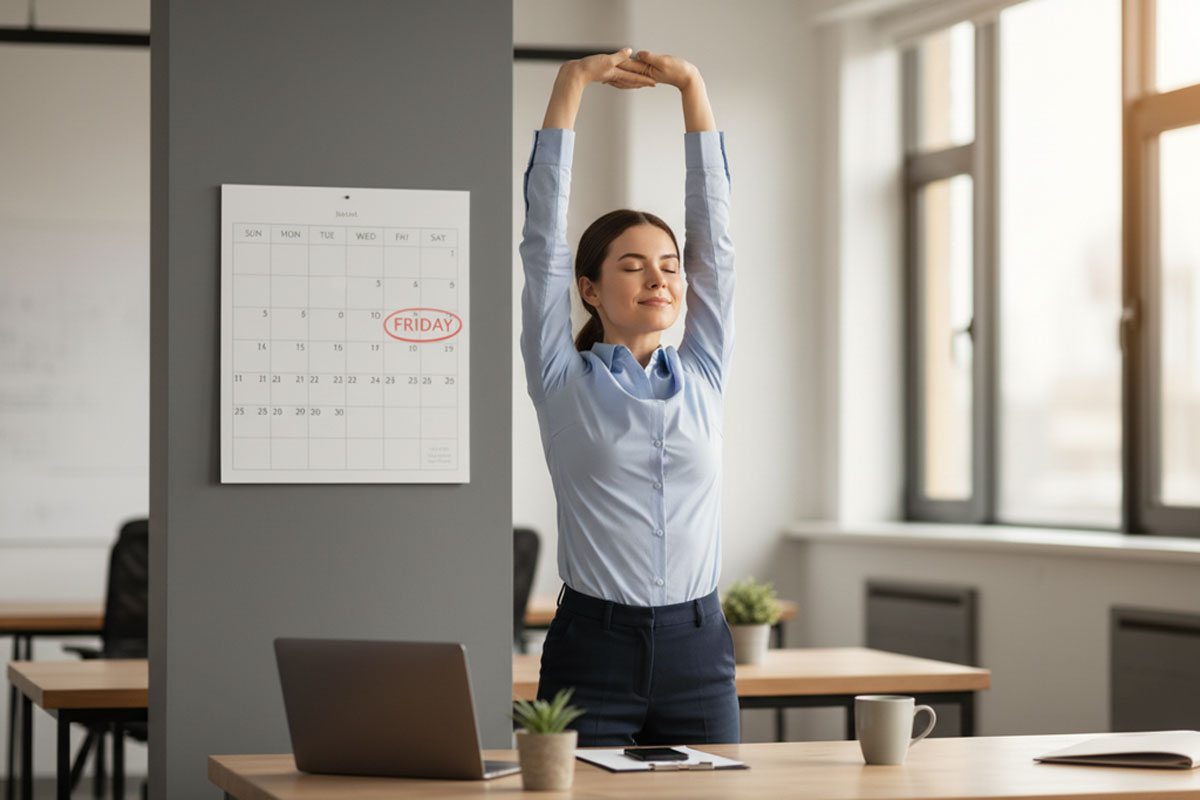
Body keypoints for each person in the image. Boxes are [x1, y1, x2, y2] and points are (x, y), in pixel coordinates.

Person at [519, 48, 737, 747]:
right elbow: (542, 243)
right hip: (593, 648)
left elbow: (716, 246)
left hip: (699, 646)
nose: (659, 280)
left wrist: (692, 90)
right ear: (588, 288)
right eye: (634, 266)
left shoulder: (703, 372)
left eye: (669, 267)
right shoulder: (562, 377)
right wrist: (570, 84)